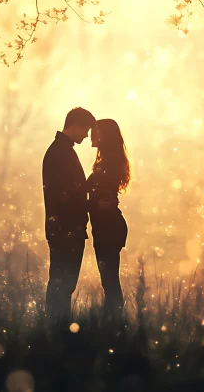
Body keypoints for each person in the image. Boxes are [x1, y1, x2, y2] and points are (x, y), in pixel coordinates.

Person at [42, 107, 96, 321]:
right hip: (65, 230)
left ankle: (56, 325)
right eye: (86, 130)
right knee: (62, 282)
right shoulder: (60, 152)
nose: (87, 135)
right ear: (75, 125)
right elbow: (65, 193)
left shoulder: (60, 150)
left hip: (64, 228)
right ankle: (57, 326)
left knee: (62, 282)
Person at [88, 119, 130, 318]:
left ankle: (114, 322)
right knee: (109, 280)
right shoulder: (107, 161)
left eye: (94, 131)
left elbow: (102, 201)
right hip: (107, 227)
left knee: (110, 280)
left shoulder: (109, 163)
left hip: (108, 228)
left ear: (104, 136)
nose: (90, 135)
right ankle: (113, 321)